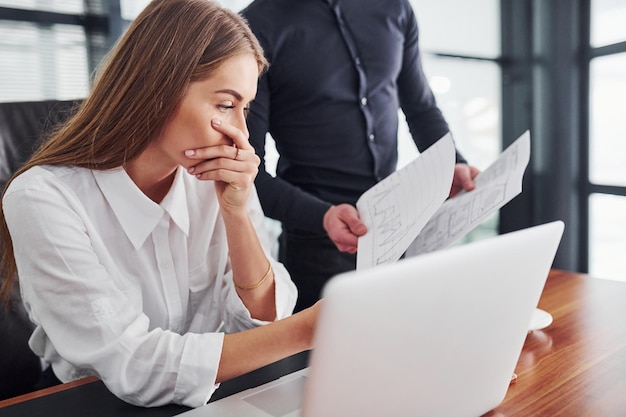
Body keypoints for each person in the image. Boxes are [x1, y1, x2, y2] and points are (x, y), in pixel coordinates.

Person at [0, 0, 318, 408]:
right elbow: (134, 364)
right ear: (159, 88)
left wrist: (236, 214)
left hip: (209, 392)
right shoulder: (43, 198)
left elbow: (257, 323)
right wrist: (308, 330)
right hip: (91, 401)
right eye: (225, 105)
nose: (241, 133)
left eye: (246, 109)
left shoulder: (215, 178)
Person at [241, 0, 480, 311]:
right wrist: (323, 215)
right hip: (316, 245)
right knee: (323, 359)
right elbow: (247, 173)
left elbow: (420, 108)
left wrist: (454, 163)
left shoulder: (395, 8)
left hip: (397, 227)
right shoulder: (254, 27)